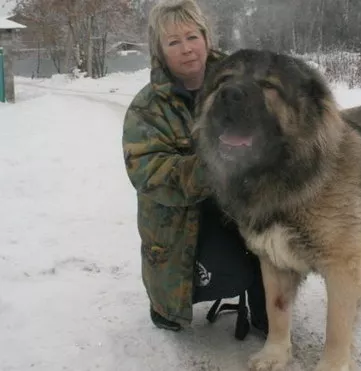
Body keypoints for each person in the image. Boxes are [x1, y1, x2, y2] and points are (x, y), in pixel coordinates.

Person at [121, 0, 268, 338]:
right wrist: (218, 161)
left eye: (192, 36)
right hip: (185, 218)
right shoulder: (147, 109)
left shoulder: (242, 81)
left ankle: (265, 304)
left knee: (273, 243)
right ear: (159, 50)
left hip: (243, 202)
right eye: (174, 42)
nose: (187, 49)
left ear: (206, 36)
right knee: (223, 275)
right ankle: (169, 302)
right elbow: (152, 176)